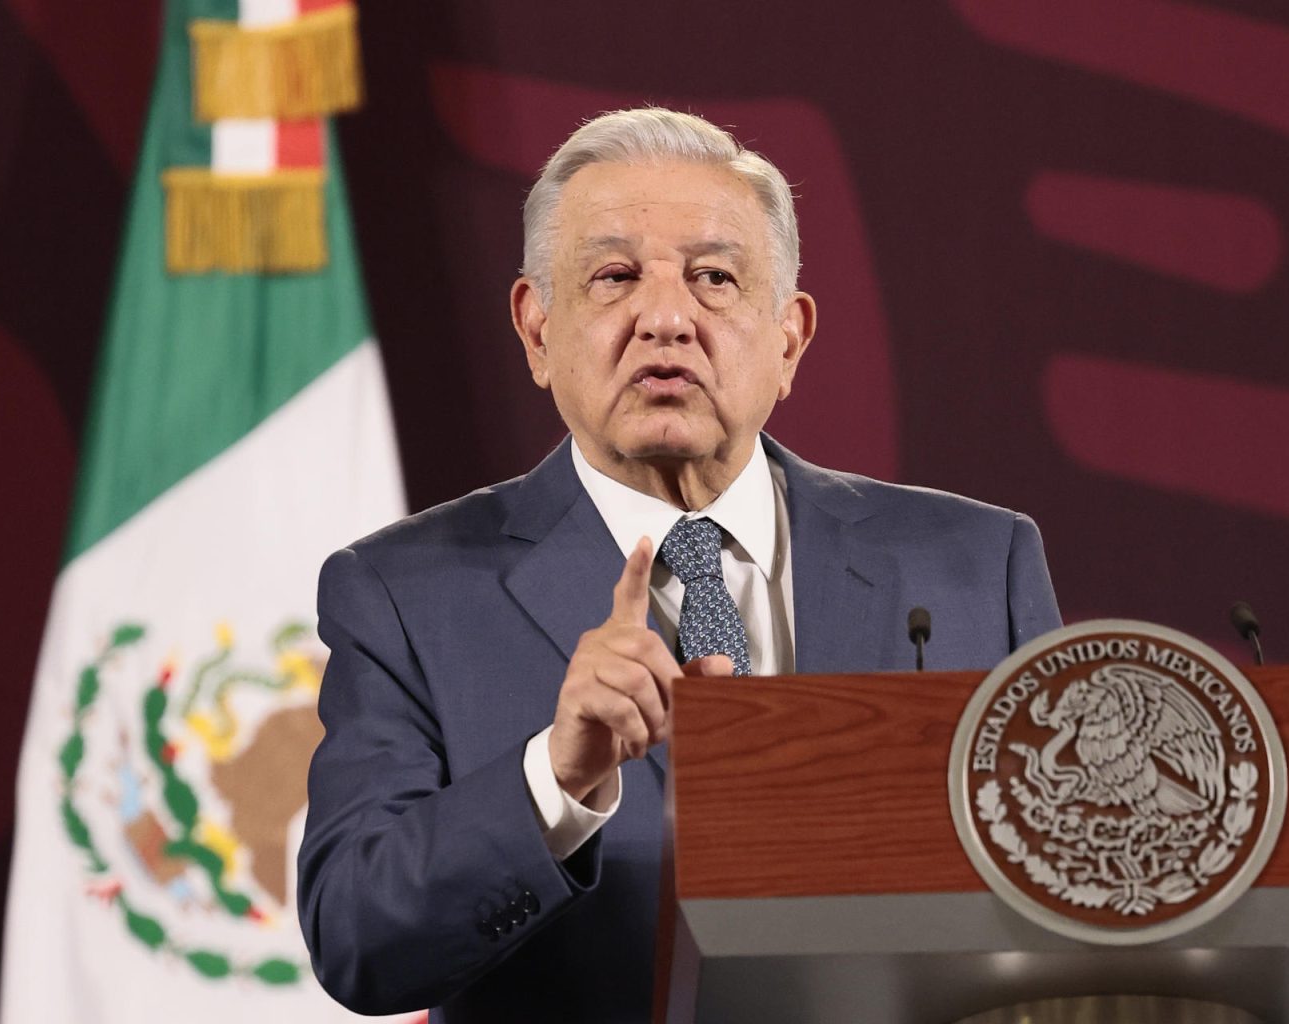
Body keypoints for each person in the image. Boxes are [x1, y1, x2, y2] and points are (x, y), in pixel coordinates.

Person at [296, 107, 1061, 1022]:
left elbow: (1068, 893)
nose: (666, 318)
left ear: (789, 339)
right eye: (615, 277)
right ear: (537, 331)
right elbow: (357, 940)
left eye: (715, 278)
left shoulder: (979, 567)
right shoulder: (405, 597)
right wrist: (555, 779)